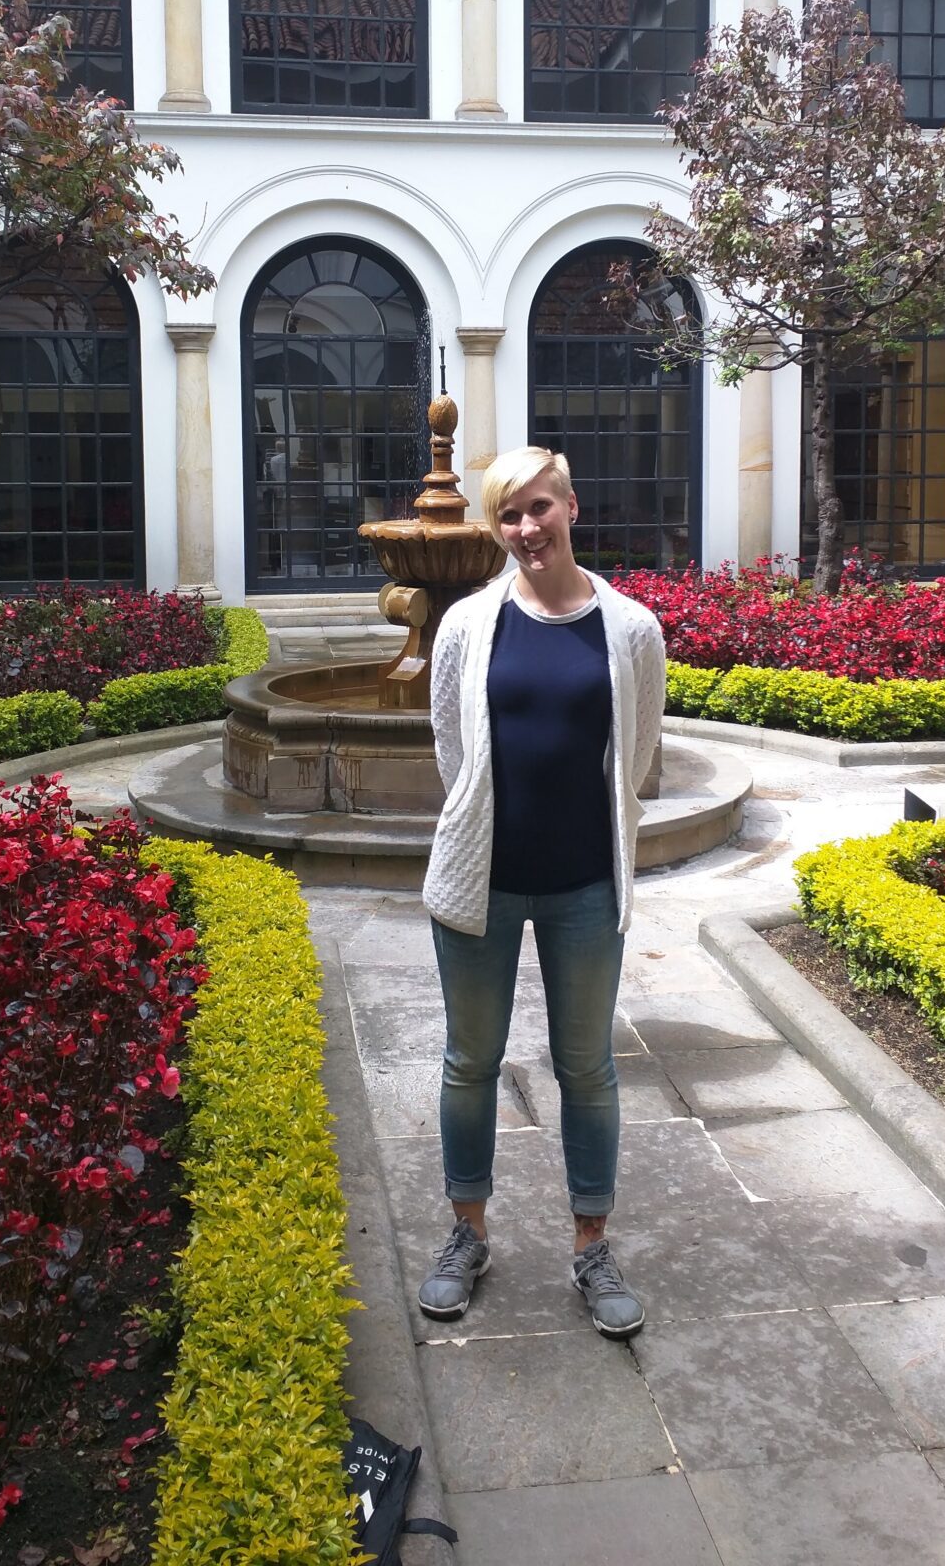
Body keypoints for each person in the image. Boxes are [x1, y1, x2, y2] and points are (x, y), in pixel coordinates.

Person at [415, 445, 666, 1336]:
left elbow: (635, 760)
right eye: (510, 515)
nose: (528, 528)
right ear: (496, 526)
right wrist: (484, 821)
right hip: (483, 880)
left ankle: (591, 1244)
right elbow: (455, 749)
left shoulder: (630, 628)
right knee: (468, 1063)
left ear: (572, 507)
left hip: (585, 887)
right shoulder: (466, 626)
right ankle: (466, 1233)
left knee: (588, 1070)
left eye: (540, 508)